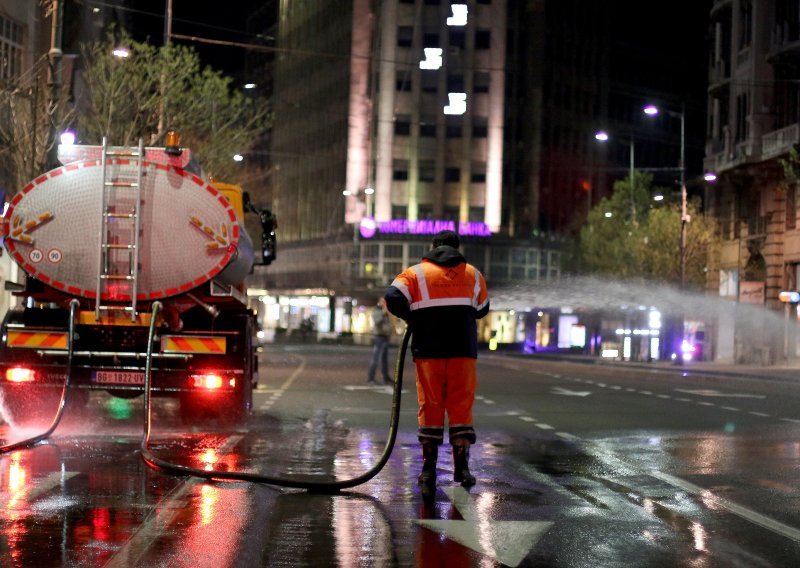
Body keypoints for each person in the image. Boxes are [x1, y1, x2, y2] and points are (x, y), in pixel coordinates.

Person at [384, 230, 489, 496]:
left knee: (430, 405)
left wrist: (413, 318)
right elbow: (483, 308)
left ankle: (428, 470)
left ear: (433, 247)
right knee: (460, 406)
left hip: (428, 350)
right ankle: (462, 468)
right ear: (457, 247)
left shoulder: (416, 273)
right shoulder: (473, 274)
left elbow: (393, 297)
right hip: (462, 351)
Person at [367, 298, 393, 384]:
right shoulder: (377, 311)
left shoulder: (384, 312)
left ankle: (386, 377)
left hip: (385, 337)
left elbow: (388, 325)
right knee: (376, 358)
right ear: (379, 302)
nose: (384, 303)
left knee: (384, 359)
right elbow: (377, 322)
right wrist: (383, 313)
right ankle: (371, 378)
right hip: (379, 337)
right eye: (383, 301)